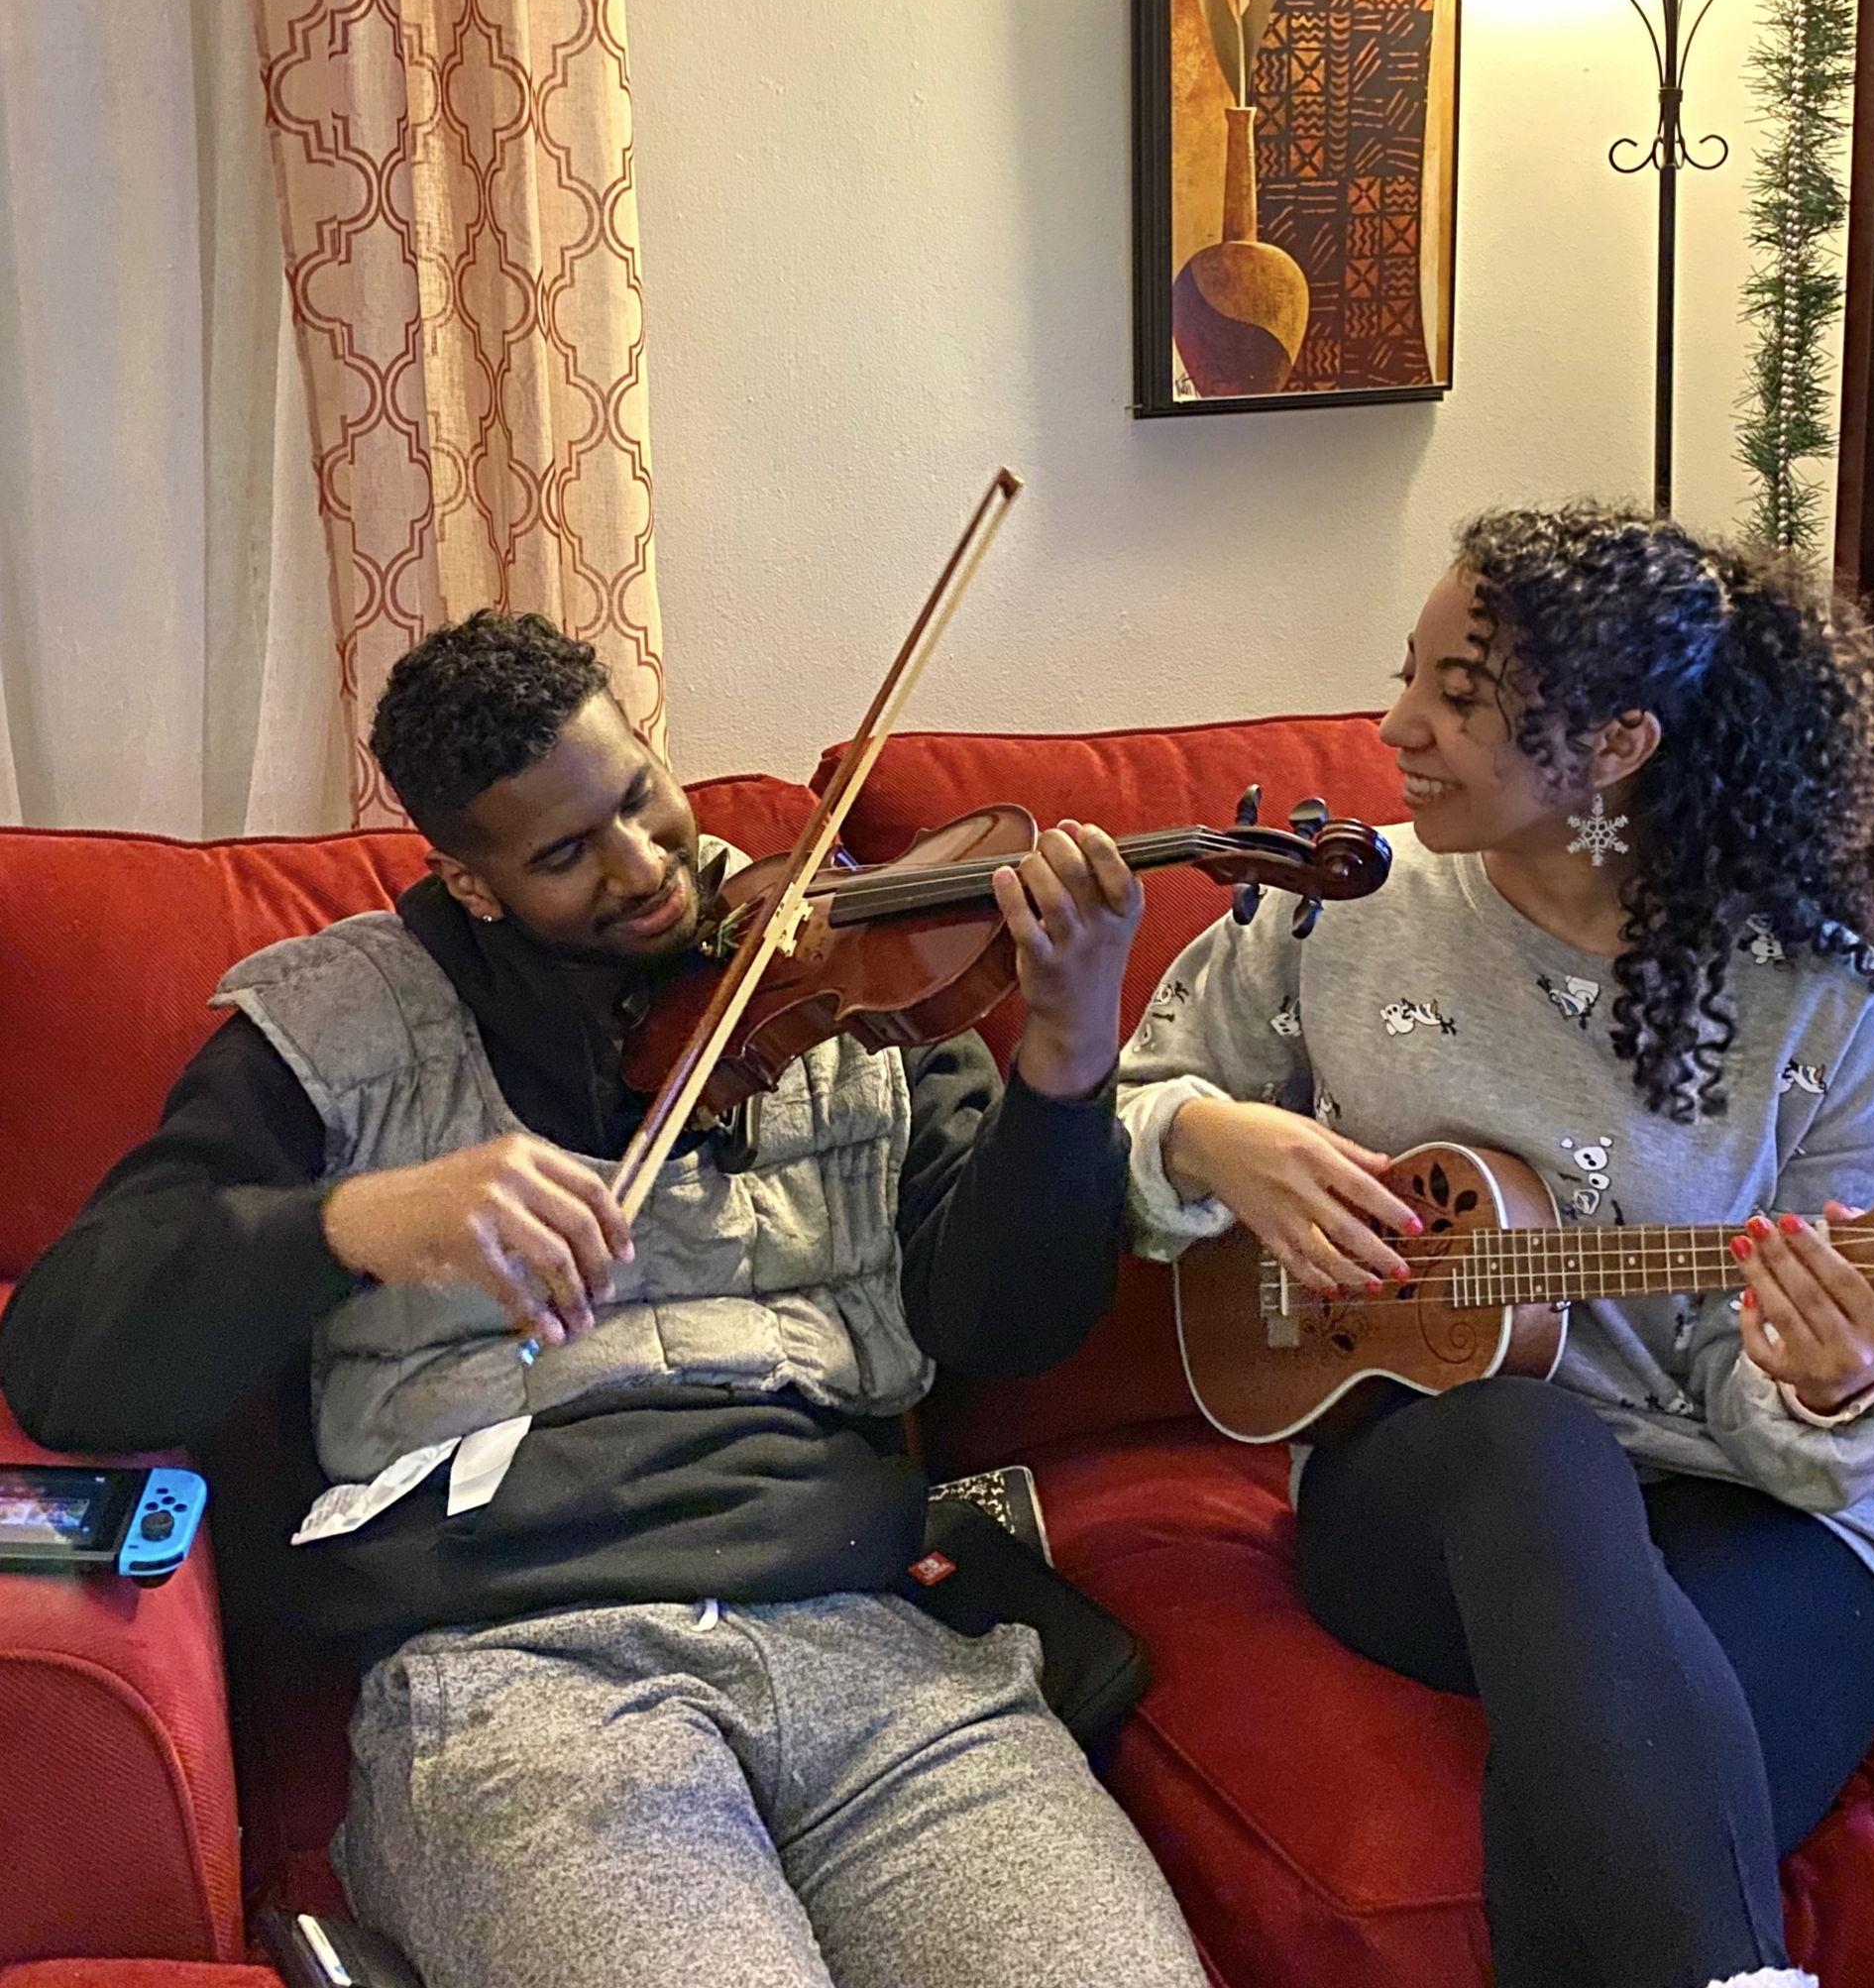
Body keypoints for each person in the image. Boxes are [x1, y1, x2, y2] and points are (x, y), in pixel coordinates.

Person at [0, 609, 1202, 1988]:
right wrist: (357, 1222)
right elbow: (67, 1358)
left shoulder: (851, 968)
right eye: (566, 855)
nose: (644, 869)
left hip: (881, 1651)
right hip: (521, 1679)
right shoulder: (340, 1027)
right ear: (471, 883)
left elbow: (1010, 1326)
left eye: (640, 797)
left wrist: (1068, 1049)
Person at [1115, 505, 1874, 1988]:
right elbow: (1112, 1114)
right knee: (1532, 1444)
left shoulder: (1827, 999)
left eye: (1457, 696)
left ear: (1619, 744)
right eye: (1410, 675)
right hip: (1432, 1489)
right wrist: (1212, 1137)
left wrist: (1828, 1381)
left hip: (1751, 1507)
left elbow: (1832, 1435)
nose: (1395, 727)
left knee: (1608, 1782)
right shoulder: (1337, 909)